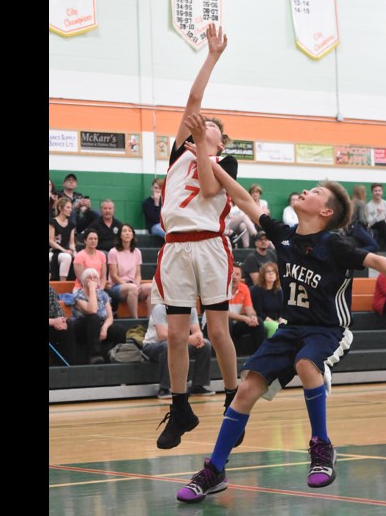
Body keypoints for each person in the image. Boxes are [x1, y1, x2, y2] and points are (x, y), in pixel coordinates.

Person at [174, 114, 386, 503]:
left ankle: (321, 447)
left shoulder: (335, 245)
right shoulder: (284, 236)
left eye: (315, 192)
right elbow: (240, 197)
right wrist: (206, 153)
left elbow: (377, 260)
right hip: (291, 328)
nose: (306, 191)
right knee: (246, 388)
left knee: (307, 364)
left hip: (328, 331)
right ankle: (214, 470)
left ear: (326, 212)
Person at [149, 24, 242, 451]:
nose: (204, 126)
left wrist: (205, 151)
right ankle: (181, 405)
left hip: (209, 245)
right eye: (202, 127)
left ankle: (231, 398)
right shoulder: (179, 151)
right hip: (175, 247)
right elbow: (193, 101)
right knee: (176, 331)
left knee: (219, 330)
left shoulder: (227, 162)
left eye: (212, 129)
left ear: (220, 139)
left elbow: (208, 190)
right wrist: (212, 57)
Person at [143, 303, 215, 399]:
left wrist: (199, 338)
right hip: (153, 345)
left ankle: (198, 386)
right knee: (168, 345)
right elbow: (163, 335)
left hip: (179, 343)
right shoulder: (160, 308)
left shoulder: (191, 308)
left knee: (205, 344)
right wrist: (189, 340)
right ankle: (164, 388)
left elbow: (197, 331)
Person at [72, 268, 128, 363]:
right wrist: (92, 290)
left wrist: (104, 328)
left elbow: (110, 317)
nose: (92, 280)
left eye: (95, 278)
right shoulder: (78, 295)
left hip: (99, 326)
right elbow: (92, 310)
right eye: (89, 278)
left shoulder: (103, 294)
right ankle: (94, 355)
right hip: (83, 327)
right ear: (83, 281)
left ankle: (118, 355)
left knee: (119, 330)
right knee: (94, 318)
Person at [107, 224, 151, 319]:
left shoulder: (137, 252)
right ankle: (135, 320)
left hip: (133, 285)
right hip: (117, 286)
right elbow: (114, 276)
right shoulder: (113, 252)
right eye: (124, 231)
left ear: (133, 235)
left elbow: (138, 275)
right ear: (120, 235)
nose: (127, 233)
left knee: (152, 288)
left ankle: (150, 321)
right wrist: (130, 285)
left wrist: (137, 285)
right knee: (132, 288)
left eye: (129, 231)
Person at [227, 264, 266, 352]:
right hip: (217, 324)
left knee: (258, 322)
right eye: (232, 274)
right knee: (227, 322)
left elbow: (250, 309)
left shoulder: (244, 288)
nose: (235, 277)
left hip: (235, 324)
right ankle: (229, 354)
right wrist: (245, 318)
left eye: (237, 274)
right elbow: (224, 313)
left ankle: (259, 355)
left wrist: (252, 317)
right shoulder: (221, 288)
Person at [250, 261, 284, 339]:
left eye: (273, 271)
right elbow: (258, 312)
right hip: (262, 320)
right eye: (268, 272)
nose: (271, 274)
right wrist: (272, 321)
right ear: (263, 275)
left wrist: (281, 319)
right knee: (275, 326)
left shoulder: (278, 290)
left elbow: (281, 311)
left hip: (275, 320)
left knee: (289, 324)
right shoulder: (256, 290)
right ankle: (271, 350)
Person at [49, 199, 76, 281]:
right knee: (66, 256)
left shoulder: (71, 224)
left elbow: (71, 243)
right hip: (53, 250)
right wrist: (64, 250)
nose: (70, 210)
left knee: (76, 256)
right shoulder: (52, 222)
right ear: (60, 208)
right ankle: (61, 284)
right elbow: (51, 241)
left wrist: (73, 250)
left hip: (64, 250)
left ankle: (67, 283)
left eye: (71, 208)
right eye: (68, 207)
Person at [366, 183, 386, 250]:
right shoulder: (368, 206)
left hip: (384, 224)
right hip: (374, 225)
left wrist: (385, 221)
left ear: (382, 192)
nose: (378, 192)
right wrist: (378, 214)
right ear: (372, 192)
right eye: (375, 191)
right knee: (382, 223)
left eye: (379, 190)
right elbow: (369, 222)